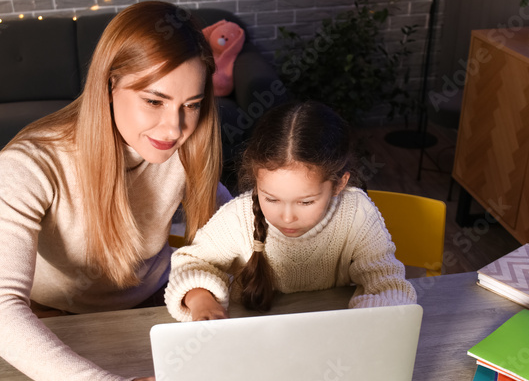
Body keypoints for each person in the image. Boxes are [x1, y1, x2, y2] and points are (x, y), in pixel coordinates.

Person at [0, 1, 226, 381]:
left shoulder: (187, 144)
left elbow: (228, 226)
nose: (174, 128)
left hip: (156, 306)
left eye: (193, 104)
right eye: (154, 100)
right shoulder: (30, 164)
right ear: (109, 86)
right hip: (57, 318)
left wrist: (204, 291)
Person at [165, 100, 417, 321]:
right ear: (256, 179)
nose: (286, 217)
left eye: (306, 202)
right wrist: (201, 300)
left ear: (339, 183)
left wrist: (379, 316)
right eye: (271, 199)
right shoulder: (239, 218)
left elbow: (386, 282)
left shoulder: (356, 212)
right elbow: (191, 263)